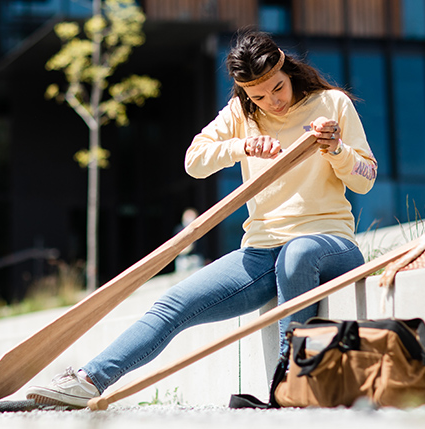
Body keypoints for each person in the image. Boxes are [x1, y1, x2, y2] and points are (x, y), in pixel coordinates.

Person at [25, 30, 378, 408]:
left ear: (286, 69)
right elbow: (194, 161)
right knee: (175, 302)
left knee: (298, 253)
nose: (272, 102)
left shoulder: (331, 105)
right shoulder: (242, 114)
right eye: (258, 96)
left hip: (329, 244)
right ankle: (89, 380)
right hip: (263, 251)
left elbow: (365, 180)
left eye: (278, 88)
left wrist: (336, 149)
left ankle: (290, 387)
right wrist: (241, 145)